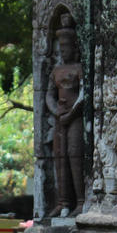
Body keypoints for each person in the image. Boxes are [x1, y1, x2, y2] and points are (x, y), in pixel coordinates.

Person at [46, 15, 85, 217]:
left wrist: (71, 114)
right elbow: (49, 95)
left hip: (75, 116)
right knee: (60, 157)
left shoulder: (78, 68)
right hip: (61, 118)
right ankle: (63, 202)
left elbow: (84, 94)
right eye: (60, 46)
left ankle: (80, 200)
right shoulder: (57, 70)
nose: (63, 50)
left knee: (75, 155)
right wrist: (56, 111)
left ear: (75, 46)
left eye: (66, 46)